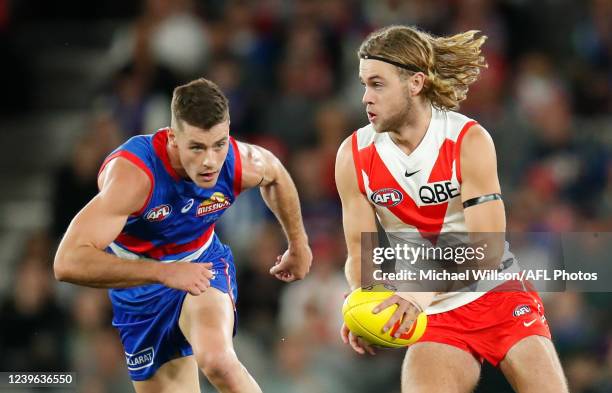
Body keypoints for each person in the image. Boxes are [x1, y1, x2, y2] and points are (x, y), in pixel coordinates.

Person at [335, 26, 568, 393]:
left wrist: (417, 293)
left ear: (415, 83)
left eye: (377, 84)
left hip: (497, 294)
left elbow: (487, 251)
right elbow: (361, 256)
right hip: (434, 315)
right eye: (364, 84)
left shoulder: (467, 140)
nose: (365, 97)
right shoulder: (353, 156)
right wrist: (361, 299)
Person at [54, 77, 312, 393]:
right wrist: (164, 273)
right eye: (197, 147)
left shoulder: (238, 160)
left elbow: (277, 176)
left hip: (201, 264)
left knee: (217, 359)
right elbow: (67, 261)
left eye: (219, 144)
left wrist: (298, 244)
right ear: (173, 139)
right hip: (140, 289)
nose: (210, 161)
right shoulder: (134, 177)